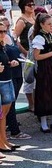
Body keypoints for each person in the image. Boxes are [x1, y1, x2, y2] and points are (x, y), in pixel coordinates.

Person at [0, 21, 21, 156]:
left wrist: (10, 63)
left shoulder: (2, 45)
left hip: (7, 80)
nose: (3, 34)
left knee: (4, 114)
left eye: (4, 31)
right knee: (1, 114)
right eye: (0, 31)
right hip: (1, 82)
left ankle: (4, 141)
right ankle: (1, 143)